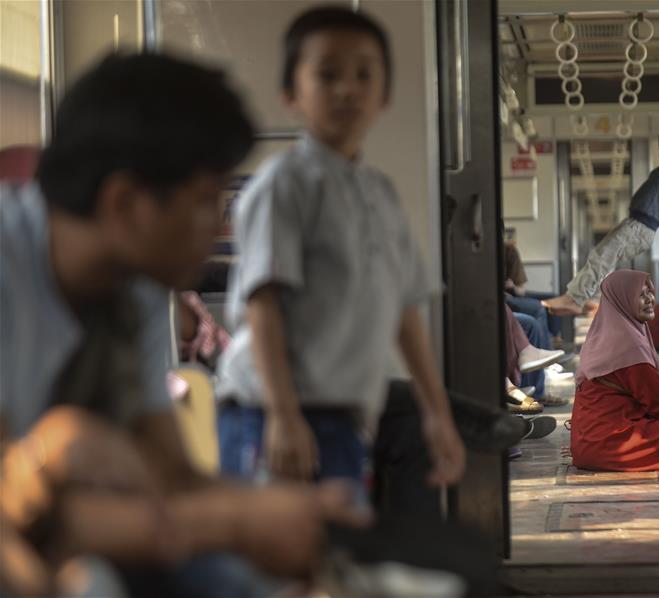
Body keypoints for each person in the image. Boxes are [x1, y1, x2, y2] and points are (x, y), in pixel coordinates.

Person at [0, 53, 362, 594]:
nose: (221, 220)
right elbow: (19, 512)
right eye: (205, 199)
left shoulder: (135, 285)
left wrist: (291, 513)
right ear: (124, 203)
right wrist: (234, 523)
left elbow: (169, 475)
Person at [215, 6, 465, 488]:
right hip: (265, 408)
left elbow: (404, 311)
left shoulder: (381, 194)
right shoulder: (283, 185)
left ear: (385, 94)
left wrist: (437, 413)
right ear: (292, 93)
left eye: (364, 74)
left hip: (343, 415)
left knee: (332, 553)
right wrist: (283, 416)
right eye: (327, 74)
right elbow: (262, 305)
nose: (347, 89)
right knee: (276, 556)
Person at [542, 87, 659, 316]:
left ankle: (576, 299)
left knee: (603, 257)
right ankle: (579, 297)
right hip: (635, 223)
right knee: (599, 255)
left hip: (641, 226)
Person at [569, 270, 659, 472]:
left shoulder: (602, 336)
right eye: (640, 295)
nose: (649, 300)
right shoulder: (629, 347)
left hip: (586, 443)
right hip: (611, 443)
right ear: (622, 300)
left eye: (650, 293)